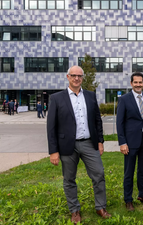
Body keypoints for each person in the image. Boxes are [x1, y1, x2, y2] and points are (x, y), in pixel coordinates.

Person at [47, 65, 111, 224]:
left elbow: (97, 120)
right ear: (68, 77)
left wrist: (100, 142)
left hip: (89, 143)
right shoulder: (56, 98)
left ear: (82, 78)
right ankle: (74, 210)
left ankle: (100, 207)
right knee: (69, 179)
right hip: (67, 146)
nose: (77, 78)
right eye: (73, 75)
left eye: (80, 76)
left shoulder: (90, 96)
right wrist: (53, 151)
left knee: (99, 174)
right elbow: (51, 126)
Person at [116, 72, 143, 211]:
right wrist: (122, 142)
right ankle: (128, 200)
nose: (138, 85)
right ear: (131, 83)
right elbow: (119, 122)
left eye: (140, 82)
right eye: (136, 82)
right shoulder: (124, 99)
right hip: (130, 142)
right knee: (129, 172)